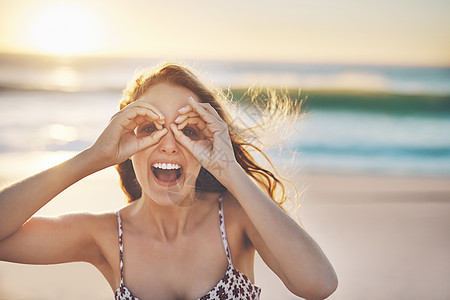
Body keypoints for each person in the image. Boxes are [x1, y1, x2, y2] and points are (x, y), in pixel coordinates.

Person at [0, 63, 337, 300]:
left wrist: (229, 169)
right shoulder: (104, 235)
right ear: (127, 144)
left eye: (188, 130)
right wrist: (94, 157)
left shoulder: (236, 219)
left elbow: (318, 284)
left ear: (208, 144)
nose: (169, 144)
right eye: (151, 128)